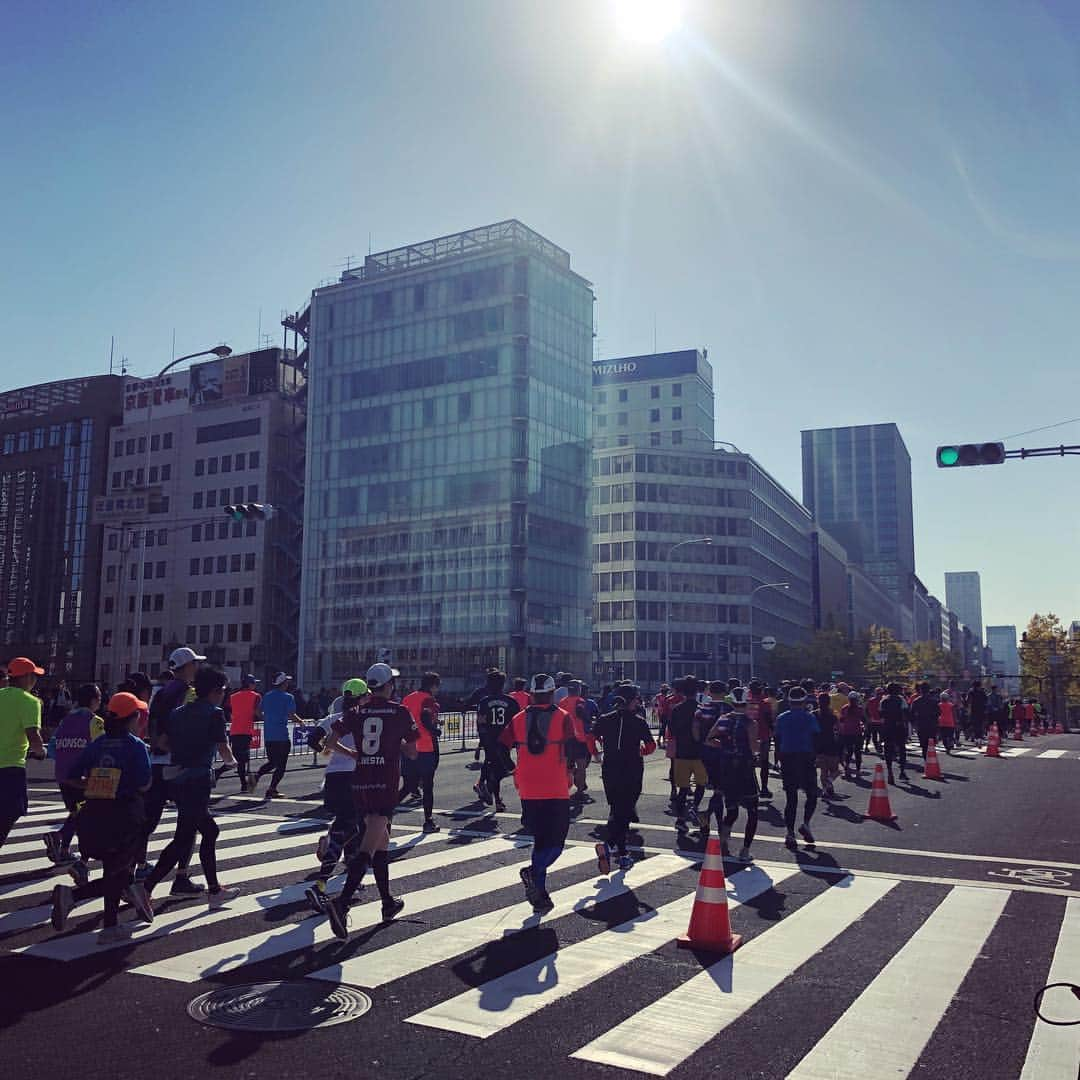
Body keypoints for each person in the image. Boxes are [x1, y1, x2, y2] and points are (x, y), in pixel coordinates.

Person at [320, 662, 419, 939]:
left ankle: (388, 901)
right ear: (389, 685)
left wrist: (352, 753)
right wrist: (395, 743)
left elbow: (328, 742)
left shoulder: (356, 711)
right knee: (370, 843)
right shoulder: (400, 712)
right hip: (385, 781)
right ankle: (342, 902)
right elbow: (412, 752)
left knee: (380, 841)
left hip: (360, 781)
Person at [50, 692, 156, 943]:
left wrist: (93, 784)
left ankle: (110, 925)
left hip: (96, 812)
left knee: (114, 869)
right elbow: (144, 784)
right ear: (131, 718)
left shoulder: (97, 744)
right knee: (117, 871)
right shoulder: (135, 745)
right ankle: (76, 900)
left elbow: (72, 776)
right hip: (125, 812)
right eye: (138, 714)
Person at [143, 667, 239, 909]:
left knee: (208, 831)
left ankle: (215, 889)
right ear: (216, 691)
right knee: (184, 838)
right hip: (198, 780)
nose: (224, 696)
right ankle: (144, 888)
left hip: (177, 778)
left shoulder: (178, 713)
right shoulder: (214, 714)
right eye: (224, 691)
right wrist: (232, 764)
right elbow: (224, 749)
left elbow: (163, 743)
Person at [500, 673, 587, 914]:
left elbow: (499, 746)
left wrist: (511, 768)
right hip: (556, 786)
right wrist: (572, 767)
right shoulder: (563, 717)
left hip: (527, 786)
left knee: (540, 840)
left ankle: (540, 893)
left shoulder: (518, 718)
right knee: (556, 842)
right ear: (551, 693)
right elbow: (572, 746)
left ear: (532, 693)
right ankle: (533, 873)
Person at [138, 645, 204, 892]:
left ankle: (135, 864)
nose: (197, 667)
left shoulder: (161, 691)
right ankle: (181, 876)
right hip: (179, 764)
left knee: (148, 821)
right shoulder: (189, 692)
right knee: (189, 823)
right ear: (186, 667)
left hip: (156, 760)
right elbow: (187, 725)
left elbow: (153, 724)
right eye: (195, 663)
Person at [305, 678, 368, 914]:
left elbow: (312, 738)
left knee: (352, 826)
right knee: (350, 829)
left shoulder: (331, 719)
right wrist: (351, 753)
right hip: (354, 778)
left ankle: (350, 872)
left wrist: (325, 751)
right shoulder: (362, 719)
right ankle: (320, 883)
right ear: (362, 697)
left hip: (332, 778)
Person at [592, 685, 655, 872]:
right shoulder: (639, 721)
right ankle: (610, 845)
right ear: (630, 700)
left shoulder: (605, 719)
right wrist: (641, 751)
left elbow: (589, 737)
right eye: (637, 698)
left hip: (610, 767)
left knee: (617, 809)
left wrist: (596, 754)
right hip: (632, 768)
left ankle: (622, 853)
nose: (639, 701)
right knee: (625, 811)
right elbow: (650, 746)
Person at [45, 682, 105, 866]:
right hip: (83, 777)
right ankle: (60, 837)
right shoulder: (95, 721)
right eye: (100, 699)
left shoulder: (65, 721)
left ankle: (64, 849)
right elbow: (101, 749)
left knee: (76, 812)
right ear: (94, 700)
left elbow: (53, 749)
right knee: (85, 813)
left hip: (63, 774)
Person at [703, 683, 759, 861]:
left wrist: (725, 745)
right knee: (752, 810)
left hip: (727, 765)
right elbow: (754, 747)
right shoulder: (750, 723)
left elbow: (710, 739)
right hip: (744, 766)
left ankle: (724, 839)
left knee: (732, 808)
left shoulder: (723, 719)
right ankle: (745, 850)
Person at [0, 657, 48, 849]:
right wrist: (41, 751)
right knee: (12, 810)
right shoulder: (30, 701)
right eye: (34, 676)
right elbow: (33, 736)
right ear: (26, 677)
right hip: (11, 768)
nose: (35, 680)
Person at [774, 686, 819, 850]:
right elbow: (816, 736)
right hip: (806, 756)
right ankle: (806, 823)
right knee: (812, 794)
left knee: (791, 798)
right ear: (804, 700)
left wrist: (778, 758)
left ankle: (790, 833)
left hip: (788, 757)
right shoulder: (810, 717)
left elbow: (777, 739)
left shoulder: (781, 718)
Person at [668, 676, 708, 838]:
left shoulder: (677, 709)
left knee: (683, 789)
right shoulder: (702, 708)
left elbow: (672, 729)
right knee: (701, 784)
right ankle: (695, 807)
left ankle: (680, 819)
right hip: (699, 753)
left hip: (682, 753)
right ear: (697, 690)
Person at [401, 671, 442, 832]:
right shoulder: (429, 699)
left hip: (409, 746)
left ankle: (387, 815)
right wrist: (434, 730)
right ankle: (428, 821)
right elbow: (425, 717)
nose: (438, 690)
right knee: (428, 786)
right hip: (426, 747)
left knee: (407, 786)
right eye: (437, 686)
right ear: (432, 686)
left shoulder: (407, 698)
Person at [473, 669, 518, 812]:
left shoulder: (484, 702)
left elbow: (480, 722)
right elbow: (516, 721)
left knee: (493, 764)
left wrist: (483, 739)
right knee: (499, 770)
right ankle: (494, 797)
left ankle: (487, 789)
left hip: (489, 738)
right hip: (505, 739)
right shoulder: (510, 701)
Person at [250, 672, 301, 798]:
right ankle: (272, 789)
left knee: (272, 762)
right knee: (281, 765)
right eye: (287, 682)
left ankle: (256, 776)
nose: (288, 683)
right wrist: (300, 722)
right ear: (284, 683)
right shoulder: (288, 697)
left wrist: (267, 719)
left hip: (269, 735)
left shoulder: (267, 696)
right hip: (282, 736)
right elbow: (291, 715)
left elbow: (257, 711)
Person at [224, 675, 260, 790]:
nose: (255, 685)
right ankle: (243, 784)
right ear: (249, 684)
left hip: (235, 730)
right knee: (242, 759)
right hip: (246, 730)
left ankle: (243, 783)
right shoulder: (256, 696)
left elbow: (228, 711)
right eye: (254, 683)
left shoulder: (233, 696)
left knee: (237, 758)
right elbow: (257, 712)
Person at [560, 680, 591, 799]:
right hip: (579, 737)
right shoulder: (579, 700)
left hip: (566, 738)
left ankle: (566, 788)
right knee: (582, 765)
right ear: (578, 689)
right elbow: (580, 710)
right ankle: (580, 791)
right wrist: (587, 720)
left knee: (567, 764)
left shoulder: (562, 702)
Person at [747, 680, 775, 799]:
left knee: (748, 763)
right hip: (763, 736)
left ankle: (749, 789)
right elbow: (769, 720)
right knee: (764, 764)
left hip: (747, 736)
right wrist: (772, 732)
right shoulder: (765, 703)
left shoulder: (745, 703)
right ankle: (764, 788)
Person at [880, 682, 911, 784]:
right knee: (902, 748)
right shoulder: (901, 699)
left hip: (887, 726)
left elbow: (881, 714)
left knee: (888, 748)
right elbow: (906, 713)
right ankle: (902, 771)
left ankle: (890, 772)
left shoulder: (883, 700)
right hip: (899, 726)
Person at [813, 693, 842, 797]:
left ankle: (825, 789)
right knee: (835, 770)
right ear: (829, 702)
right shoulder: (833, 714)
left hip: (818, 744)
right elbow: (839, 729)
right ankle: (829, 782)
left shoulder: (814, 714)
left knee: (823, 770)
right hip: (830, 742)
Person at [910, 682, 942, 759]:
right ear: (928, 690)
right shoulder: (934, 701)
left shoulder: (916, 701)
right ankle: (931, 759)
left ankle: (926, 760)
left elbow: (911, 714)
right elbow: (939, 712)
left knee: (924, 745)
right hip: (932, 724)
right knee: (931, 743)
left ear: (920, 690)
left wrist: (914, 724)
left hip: (921, 724)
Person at [838, 691, 865, 779]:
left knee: (848, 752)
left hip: (846, 732)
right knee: (858, 752)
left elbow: (841, 720)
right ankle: (858, 771)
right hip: (857, 732)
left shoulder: (844, 708)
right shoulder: (859, 709)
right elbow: (864, 720)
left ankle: (846, 770)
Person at [966, 680, 988, 748]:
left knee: (975, 725)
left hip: (974, 711)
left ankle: (976, 739)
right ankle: (979, 739)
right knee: (980, 725)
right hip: (981, 711)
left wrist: (968, 710)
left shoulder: (971, 692)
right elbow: (986, 700)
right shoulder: (982, 692)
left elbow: (968, 701)